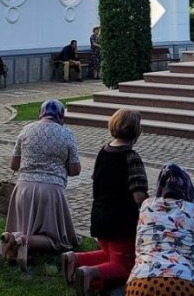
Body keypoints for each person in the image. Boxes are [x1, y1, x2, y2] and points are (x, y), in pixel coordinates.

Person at [62, 109, 148, 295]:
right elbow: (139, 196)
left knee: (109, 254)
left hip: (100, 215)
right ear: (136, 132)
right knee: (124, 265)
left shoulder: (104, 151)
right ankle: (91, 273)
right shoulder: (131, 158)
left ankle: (75, 259)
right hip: (122, 221)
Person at [1, 99, 81, 269]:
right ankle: (21, 240)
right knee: (56, 240)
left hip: (23, 189)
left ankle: (13, 237)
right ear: (61, 116)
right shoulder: (67, 134)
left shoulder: (26, 129)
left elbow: (14, 165)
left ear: (41, 113)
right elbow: (75, 170)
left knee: (27, 227)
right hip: (51, 192)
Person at [123, 163, 194, 296]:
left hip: (140, 281)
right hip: (182, 283)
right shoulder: (193, 210)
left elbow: (139, 246)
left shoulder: (146, 205)